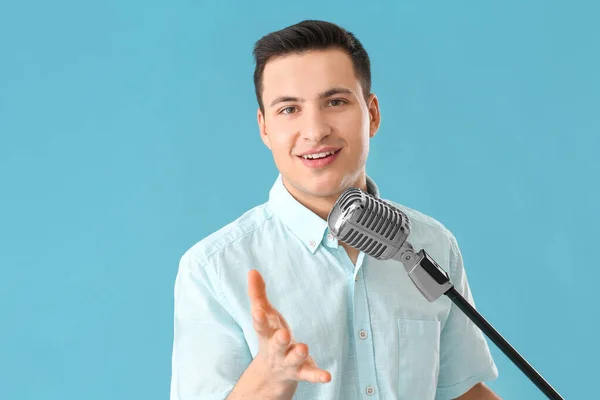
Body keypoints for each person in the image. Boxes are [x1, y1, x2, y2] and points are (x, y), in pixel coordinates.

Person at [170, 20, 501, 400]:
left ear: (372, 114)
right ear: (264, 128)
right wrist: (271, 375)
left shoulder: (433, 244)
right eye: (289, 109)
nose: (315, 131)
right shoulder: (212, 268)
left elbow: (461, 392)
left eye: (336, 102)